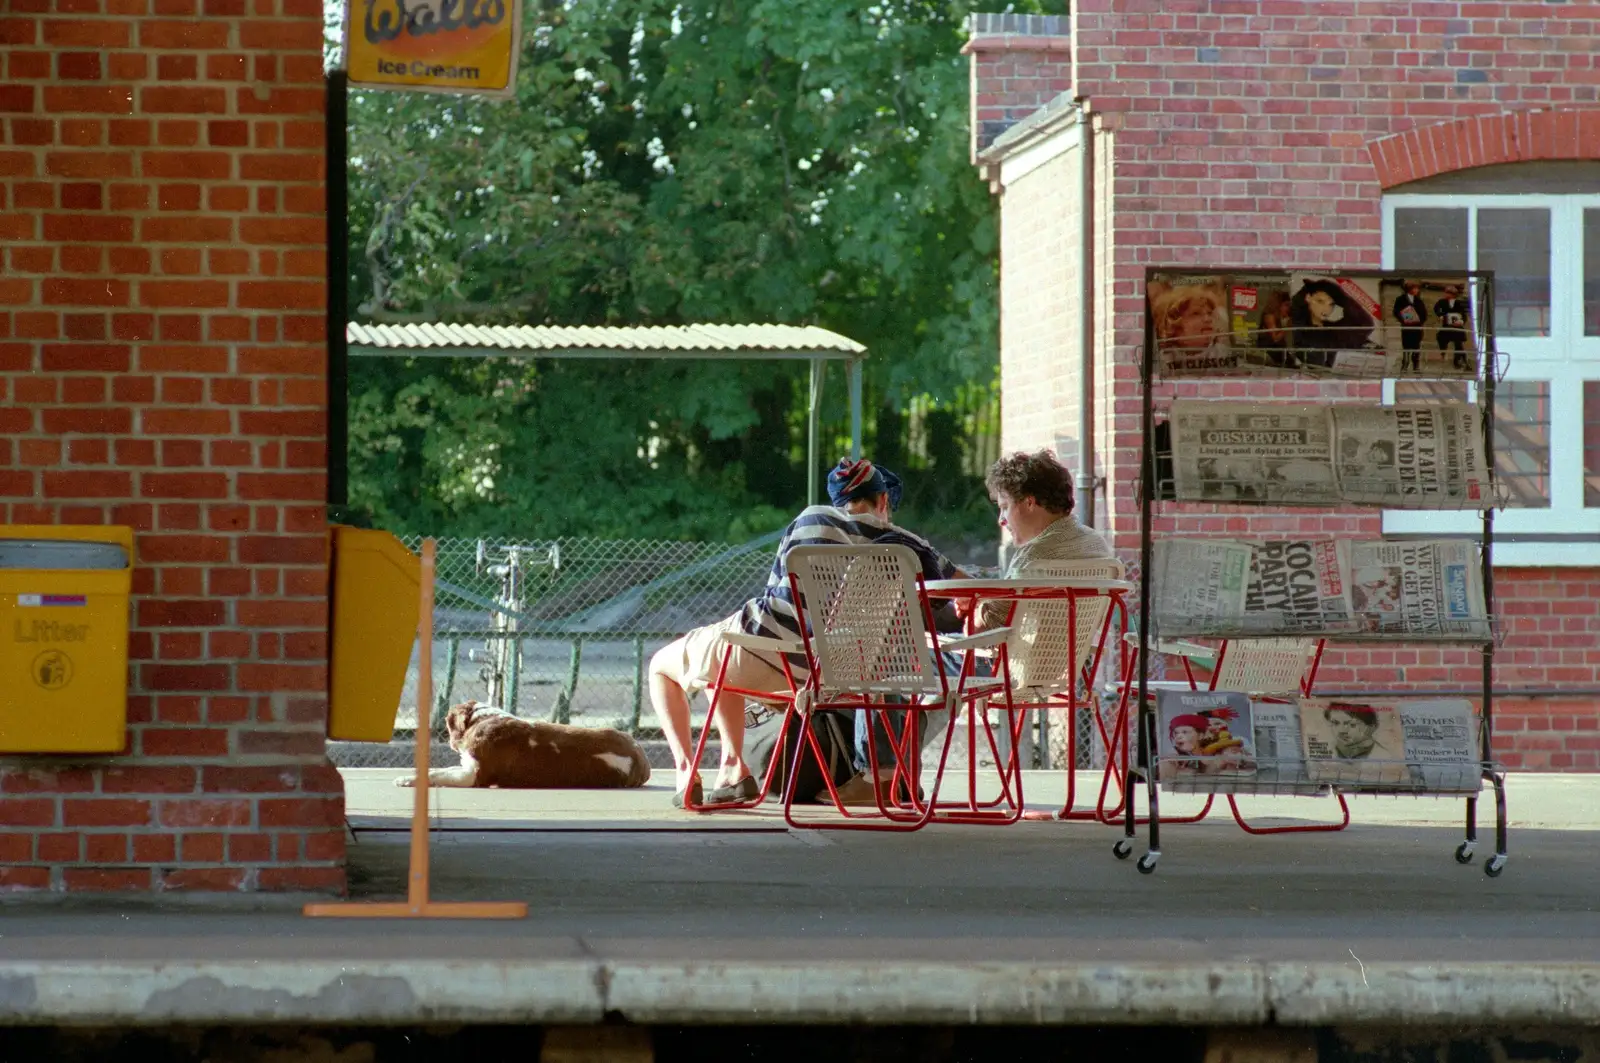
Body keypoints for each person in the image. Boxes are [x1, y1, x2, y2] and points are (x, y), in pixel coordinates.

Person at [646, 457, 961, 810]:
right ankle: (731, 771)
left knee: (664, 665)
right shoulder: (907, 545)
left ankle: (692, 771)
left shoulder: (810, 518)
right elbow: (961, 585)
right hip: (829, 673)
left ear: (837, 500)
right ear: (883, 501)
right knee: (715, 656)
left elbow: (776, 594)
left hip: (763, 651)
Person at [1323, 704, 1390, 760]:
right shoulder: (1327, 753)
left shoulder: (1385, 757)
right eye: (1335, 723)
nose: (1341, 730)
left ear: (1371, 727)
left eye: (1352, 725)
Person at [1392, 280, 1428, 372]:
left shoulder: (1419, 301)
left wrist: (1419, 320)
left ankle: (1416, 366)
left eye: (1417, 288)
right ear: (1409, 289)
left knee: (1416, 347)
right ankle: (1405, 365)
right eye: (1415, 288)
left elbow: (1424, 314)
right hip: (1407, 327)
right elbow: (1396, 311)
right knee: (1406, 346)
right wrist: (1404, 319)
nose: (1417, 290)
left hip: (1417, 328)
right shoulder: (1401, 299)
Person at [1433, 285, 1471, 370]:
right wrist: (1440, 316)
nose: (1446, 294)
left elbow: (1463, 315)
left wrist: (1461, 321)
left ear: (1453, 294)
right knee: (1440, 338)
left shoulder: (1459, 303)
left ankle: (1459, 361)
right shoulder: (1441, 302)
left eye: (1448, 293)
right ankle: (1443, 352)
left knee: (1459, 345)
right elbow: (1437, 309)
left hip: (1457, 328)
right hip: (1446, 326)